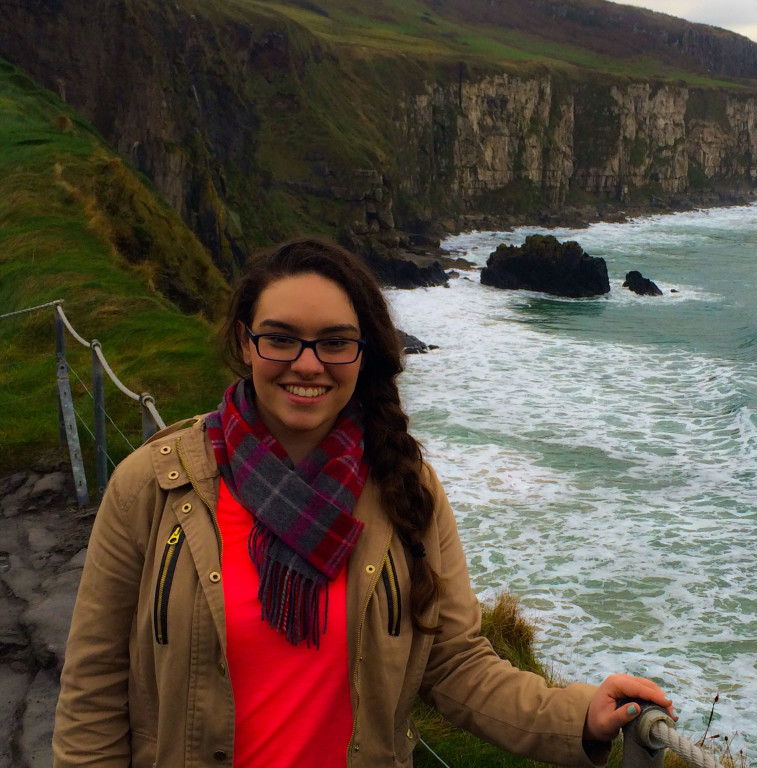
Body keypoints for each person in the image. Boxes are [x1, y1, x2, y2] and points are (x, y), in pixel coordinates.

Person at [53, 237, 674, 767]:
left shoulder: (406, 488)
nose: (307, 363)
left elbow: (454, 663)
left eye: (334, 342)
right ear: (246, 343)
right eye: (281, 339)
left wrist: (579, 716)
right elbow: (93, 695)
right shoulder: (154, 485)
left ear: (362, 352)